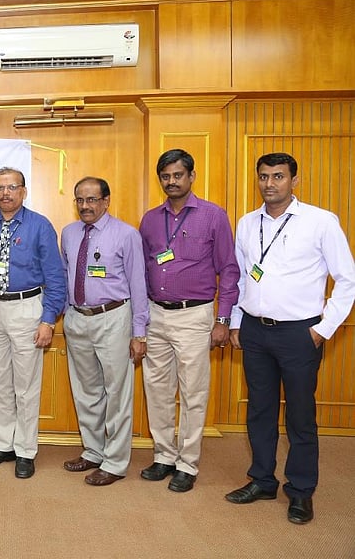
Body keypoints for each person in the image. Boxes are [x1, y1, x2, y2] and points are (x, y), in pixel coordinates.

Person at [226, 152, 355, 525]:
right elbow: (241, 278)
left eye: (278, 176)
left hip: (300, 333)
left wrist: (322, 329)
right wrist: (236, 322)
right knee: (259, 411)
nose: (270, 184)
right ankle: (262, 480)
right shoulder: (247, 223)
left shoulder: (320, 222)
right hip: (254, 330)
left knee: (300, 417)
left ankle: (300, 491)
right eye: (264, 177)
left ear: (294, 181)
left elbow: (347, 280)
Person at [138, 149, 240, 492]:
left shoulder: (213, 215)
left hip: (195, 315)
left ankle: (187, 463)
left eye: (178, 175)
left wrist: (223, 318)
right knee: (158, 390)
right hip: (156, 314)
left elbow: (229, 269)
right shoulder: (151, 219)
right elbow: (142, 270)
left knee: (194, 392)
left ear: (191, 176)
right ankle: (164, 455)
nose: (172, 182)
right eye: (166, 176)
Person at [0, 167, 65, 479]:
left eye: (12, 188)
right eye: (0, 188)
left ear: (23, 191)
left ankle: (25, 450)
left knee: (26, 385)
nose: (5, 194)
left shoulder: (40, 226)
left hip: (26, 309)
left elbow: (56, 278)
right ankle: (2, 445)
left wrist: (48, 320)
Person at [60, 176, 148, 486]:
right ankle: (93, 451)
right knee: (86, 392)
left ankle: (115, 461)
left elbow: (139, 285)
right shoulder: (69, 234)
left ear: (106, 201)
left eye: (92, 199)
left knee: (117, 393)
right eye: (80, 200)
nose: (85, 206)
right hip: (77, 317)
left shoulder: (127, 235)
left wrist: (139, 333)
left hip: (113, 318)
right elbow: (65, 275)